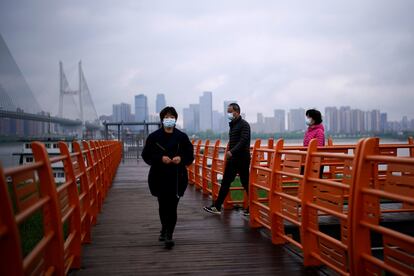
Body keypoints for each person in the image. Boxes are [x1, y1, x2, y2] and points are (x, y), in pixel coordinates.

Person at [141, 106, 194, 249]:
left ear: (175, 119)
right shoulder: (154, 137)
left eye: (172, 117)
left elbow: (190, 155)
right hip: (159, 176)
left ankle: (169, 235)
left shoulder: (182, 137)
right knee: (162, 205)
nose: (169, 119)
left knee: (173, 206)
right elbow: (146, 155)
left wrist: (180, 158)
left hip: (177, 177)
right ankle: (164, 228)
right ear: (162, 120)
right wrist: (160, 158)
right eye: (166, 117)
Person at [203, 103, 251, 215]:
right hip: (233, 159)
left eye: (230, 111)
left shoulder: (244, 125)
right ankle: (217, 206)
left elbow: (243, 141)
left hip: (242, 159)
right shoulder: (233, 125)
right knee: (227, 182)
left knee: (245, 183)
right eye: (227, 112)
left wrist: (231, 151)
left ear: (237, 111)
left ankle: (251, 208)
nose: (228, 114)